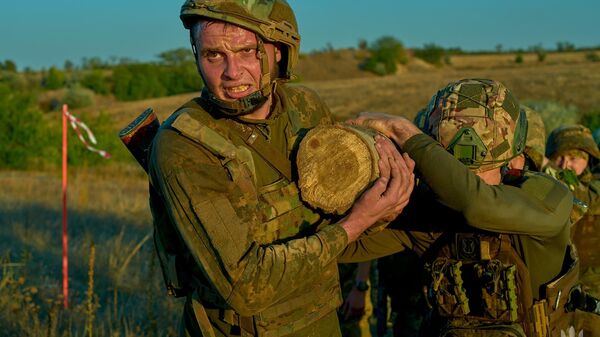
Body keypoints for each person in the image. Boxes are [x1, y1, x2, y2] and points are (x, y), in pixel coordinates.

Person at [146, 1, 414, 336]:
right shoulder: (185, 146)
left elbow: (341, 213)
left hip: (322, 318)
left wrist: (388, 194)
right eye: (213, 55)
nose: (231, 72)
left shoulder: (304, 108)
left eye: (247, 52)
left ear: (278, 52)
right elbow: (245, 288)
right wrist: (355, 223)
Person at [343, 79, 579, 337]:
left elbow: (477, 204)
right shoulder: (435, 208)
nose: (465, 177)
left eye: (477, 171)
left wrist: (403, 132)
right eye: (459, 170)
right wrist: (361, 215)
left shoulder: (548, 196)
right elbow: (349, 248)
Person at [546, 125, 600, 273]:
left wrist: (545, 165)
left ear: (587, 160)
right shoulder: (543, 187)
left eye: (573, 158)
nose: (565, 165)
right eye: (559, 158)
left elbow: (579, 195)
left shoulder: (594, 188)